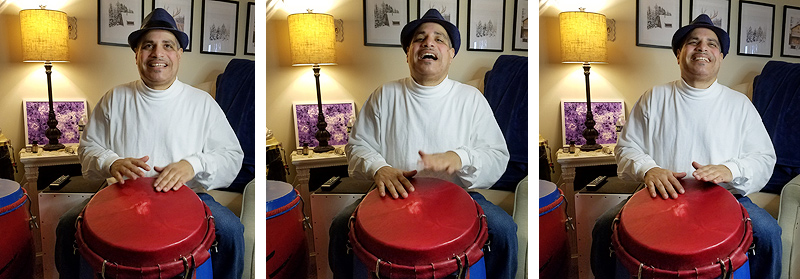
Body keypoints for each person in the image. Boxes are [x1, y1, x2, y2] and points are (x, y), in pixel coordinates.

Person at [55, 8, 245, 279]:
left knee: (231, 231)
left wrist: (193, 164)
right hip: (120, 196)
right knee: (66, 226)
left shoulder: (202, 103)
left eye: (167, 45)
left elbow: (231, 155)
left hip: (189, 196)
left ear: (179, 54)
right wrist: (111, 162)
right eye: (148, 46)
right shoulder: (114, 98)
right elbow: (88, 148)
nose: (158, 54)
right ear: (136, 55)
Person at [328, 9, 517, 279]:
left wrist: (460, 157)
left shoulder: (471, 99)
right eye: (420, 38)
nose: (429, 43)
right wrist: (379, 168)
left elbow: (497, 155)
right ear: (407, 53)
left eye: (439, 39)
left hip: (457, 197)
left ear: (451, 54)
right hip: (391, 196)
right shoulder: (385, 95)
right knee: (339, 226)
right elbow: (358, 147)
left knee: (505, 230)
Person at [590, 14, 780, 278]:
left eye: (712, 44)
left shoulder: (740, 105)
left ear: (721, 57)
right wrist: (648, 169)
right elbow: (625, 149)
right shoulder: (654, 97)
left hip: (726, 198)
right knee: (602, 227)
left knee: (769, 232)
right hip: (658, 197)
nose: (703, 47)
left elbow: (764, 157)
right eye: (693, 42)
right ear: (678, 54)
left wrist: (730, 168)